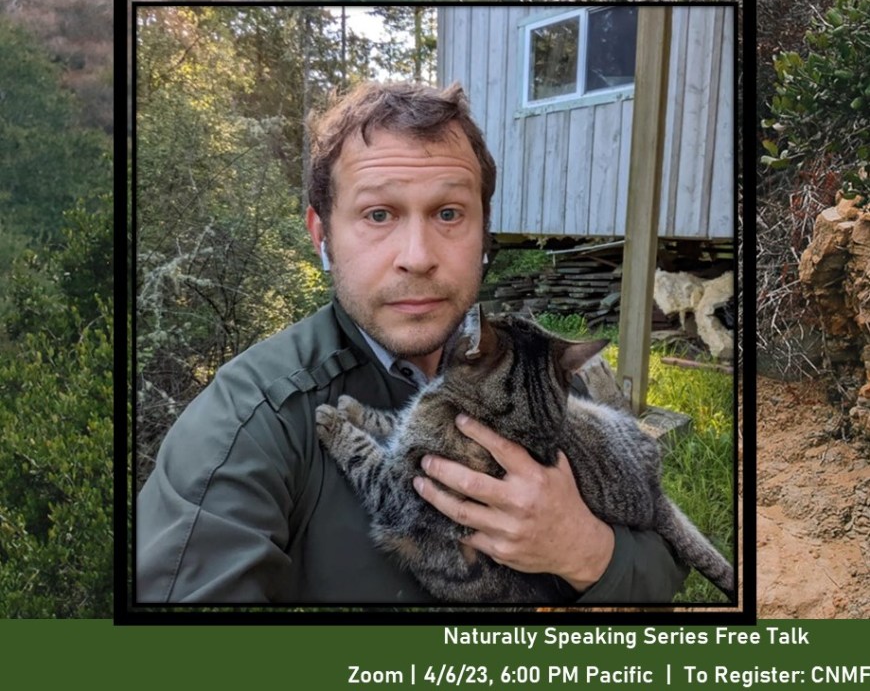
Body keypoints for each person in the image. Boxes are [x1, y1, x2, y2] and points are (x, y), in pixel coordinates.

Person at [136, 81, 688, 604]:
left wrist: (587, 550)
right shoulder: (253, 425)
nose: (418, 255)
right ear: (321, 234)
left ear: (483, 231)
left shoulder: (568, 375)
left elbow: (665, 557)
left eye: (449, 213)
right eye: (379, 214)